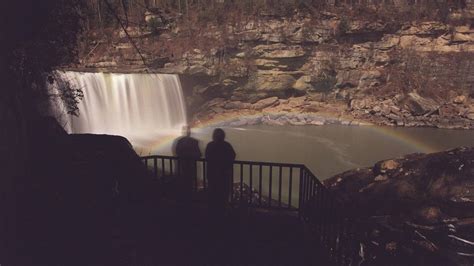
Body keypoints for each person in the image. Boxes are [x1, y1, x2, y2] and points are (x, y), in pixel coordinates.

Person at [205, 128, 236, 217]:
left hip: (212, 175)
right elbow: (232, 156)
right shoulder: (227, 145)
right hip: (224, 175)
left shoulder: (210, 145)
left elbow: (207, 157)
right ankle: (223, 213)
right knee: (223, 195)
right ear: (223, 136)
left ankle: (213, 214)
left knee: (213, 194)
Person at [173, 125, 201, 205]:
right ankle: (190, 202)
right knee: (190, 184)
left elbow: (177, 152)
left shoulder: (179, 141)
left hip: (182, 167)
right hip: (190, 167)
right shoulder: (194, 141)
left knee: (184, 184)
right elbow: (199, 154)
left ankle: (184, 202)